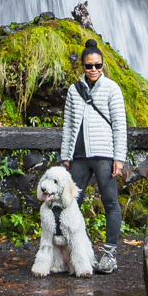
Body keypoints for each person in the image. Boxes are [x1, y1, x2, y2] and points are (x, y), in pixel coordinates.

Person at [60, 40, 126, 275]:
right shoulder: (73, 90)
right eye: (89, 66)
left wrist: (119, 157)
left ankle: (109, 254)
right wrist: (65, 156)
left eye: (98, 65)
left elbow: (119, 125)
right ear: (83, 67)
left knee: (110, 202)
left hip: (104, 154)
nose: (94, 70)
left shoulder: (112, 88)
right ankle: (79, 253)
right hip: (78, 156)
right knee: (71, 204)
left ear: (103, 65)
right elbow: (68, 125)